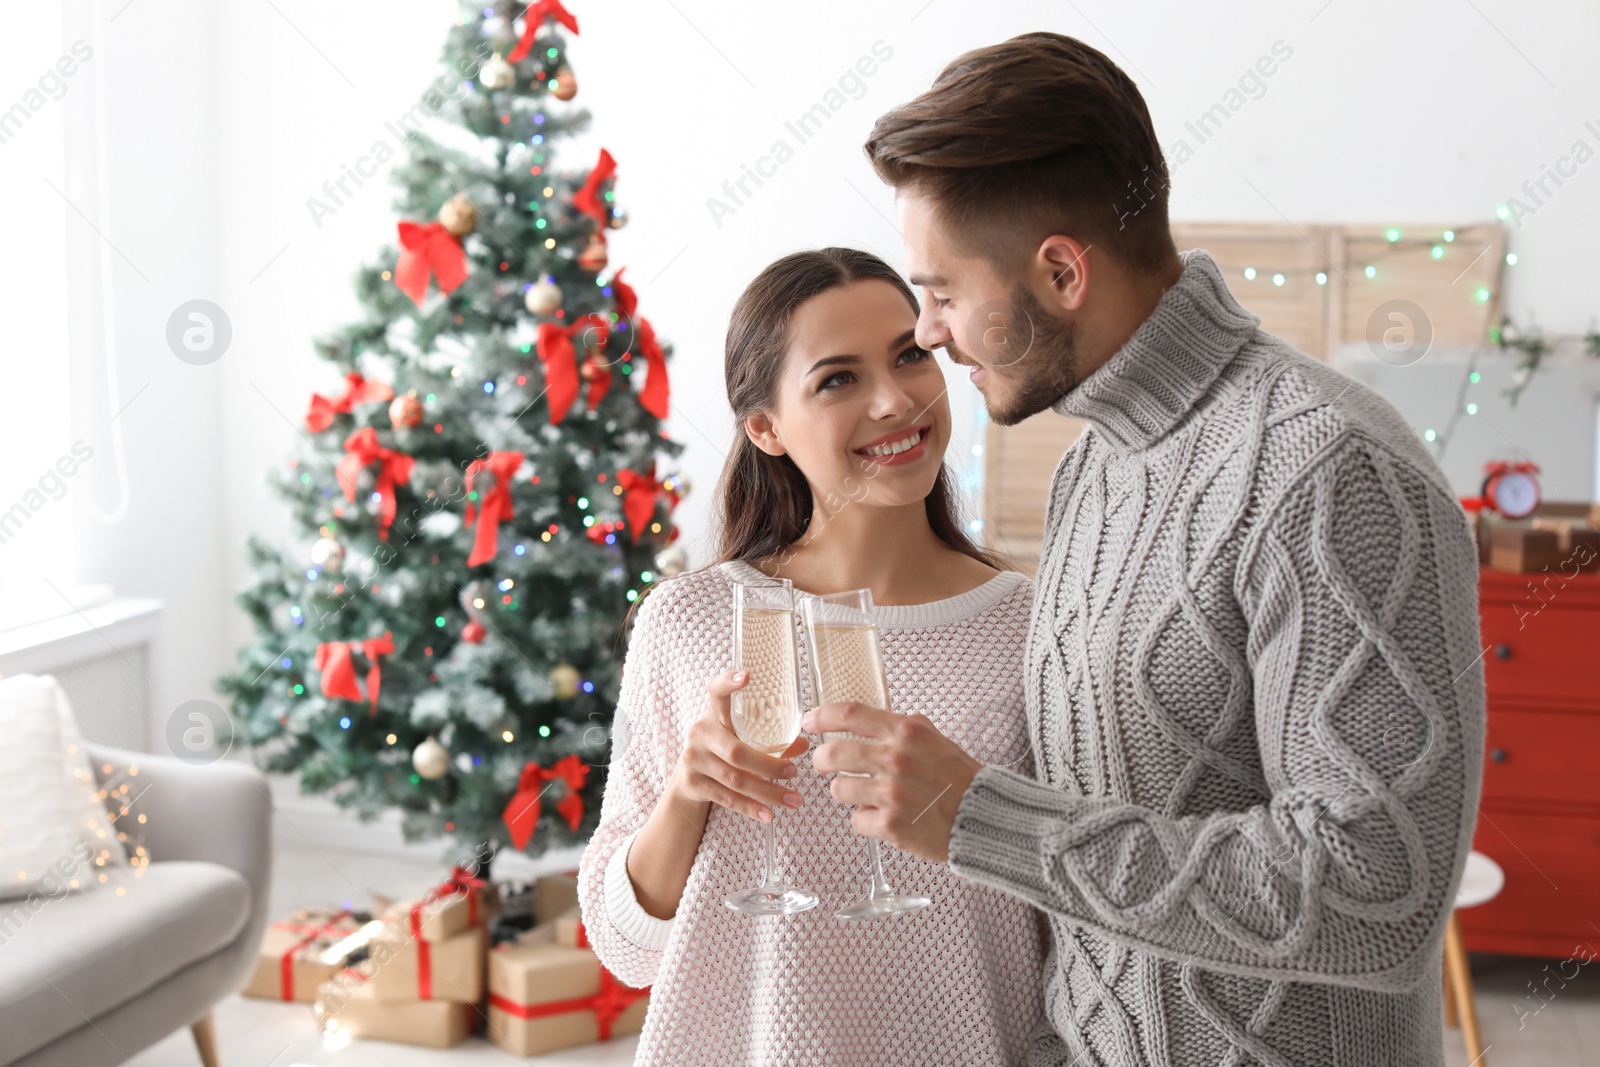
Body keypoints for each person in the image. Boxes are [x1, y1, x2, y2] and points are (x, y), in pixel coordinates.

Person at [802, 32, 1487, 1067]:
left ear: (1061, 271)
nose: (930, 331)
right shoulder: (1093, 471)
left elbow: (1375, 884)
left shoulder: (1331, 467)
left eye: (940, 291)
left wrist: (983, 816)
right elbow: (1106, 847)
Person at [577, 247, 1047, 1065]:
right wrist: (688, 795)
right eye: (838, 379)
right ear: (765, 427)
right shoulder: (688, 619)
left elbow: (1076, 910)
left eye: (909, 356)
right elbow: (625, 947)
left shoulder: (1035, 623)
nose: (895, 400)